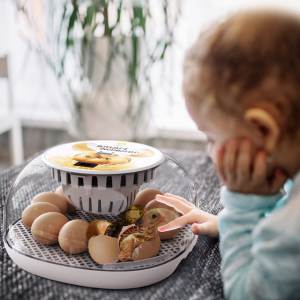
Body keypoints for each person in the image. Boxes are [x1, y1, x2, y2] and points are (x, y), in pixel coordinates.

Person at [156, 10, 300, 300]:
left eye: (212, 138)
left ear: (262, 129)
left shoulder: (290, 231)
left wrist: (245, 210)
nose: (209, 152)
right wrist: (226, 224)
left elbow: (246, 291)